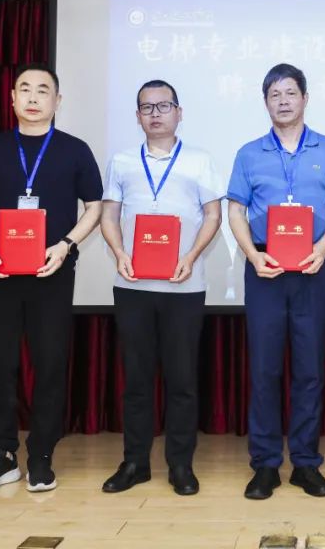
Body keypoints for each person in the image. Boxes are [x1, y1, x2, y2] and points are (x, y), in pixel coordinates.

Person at [0, 63, 103, 493]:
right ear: (12, 98)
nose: (33, 97)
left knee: (50, 364)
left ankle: (41, 454)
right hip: (0, 273)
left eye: (43, 90)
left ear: (58, 101)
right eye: (25, 89)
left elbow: (95, 207)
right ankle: (1, 454)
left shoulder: (75, 150)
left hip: (51, 272)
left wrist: (66, 245)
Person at [226, 64, 325, 500]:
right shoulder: (249, 153)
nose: (283, 101)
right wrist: (252, 255)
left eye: (290, 93)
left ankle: (305, 463)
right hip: (265, 268)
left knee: (309, 369)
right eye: (274, 95)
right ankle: (265, 465)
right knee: (264, 369)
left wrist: (323, 248)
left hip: (313, 268)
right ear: (265, 102)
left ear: (305, 98)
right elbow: (235, 210)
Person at [98, 80, 223, 496]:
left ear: (179, 112)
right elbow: (109, 215)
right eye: (147, 107)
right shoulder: (121, 161)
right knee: (136, 380)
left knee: (182, 380)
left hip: (183, 286)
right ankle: (135, 462)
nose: (155, 114)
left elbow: (213, 215)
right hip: (132, 285)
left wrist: (192, 256)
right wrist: (119, 253)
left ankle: (180, 465)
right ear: (137, 116)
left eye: (164, 106)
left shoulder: (200, 160)